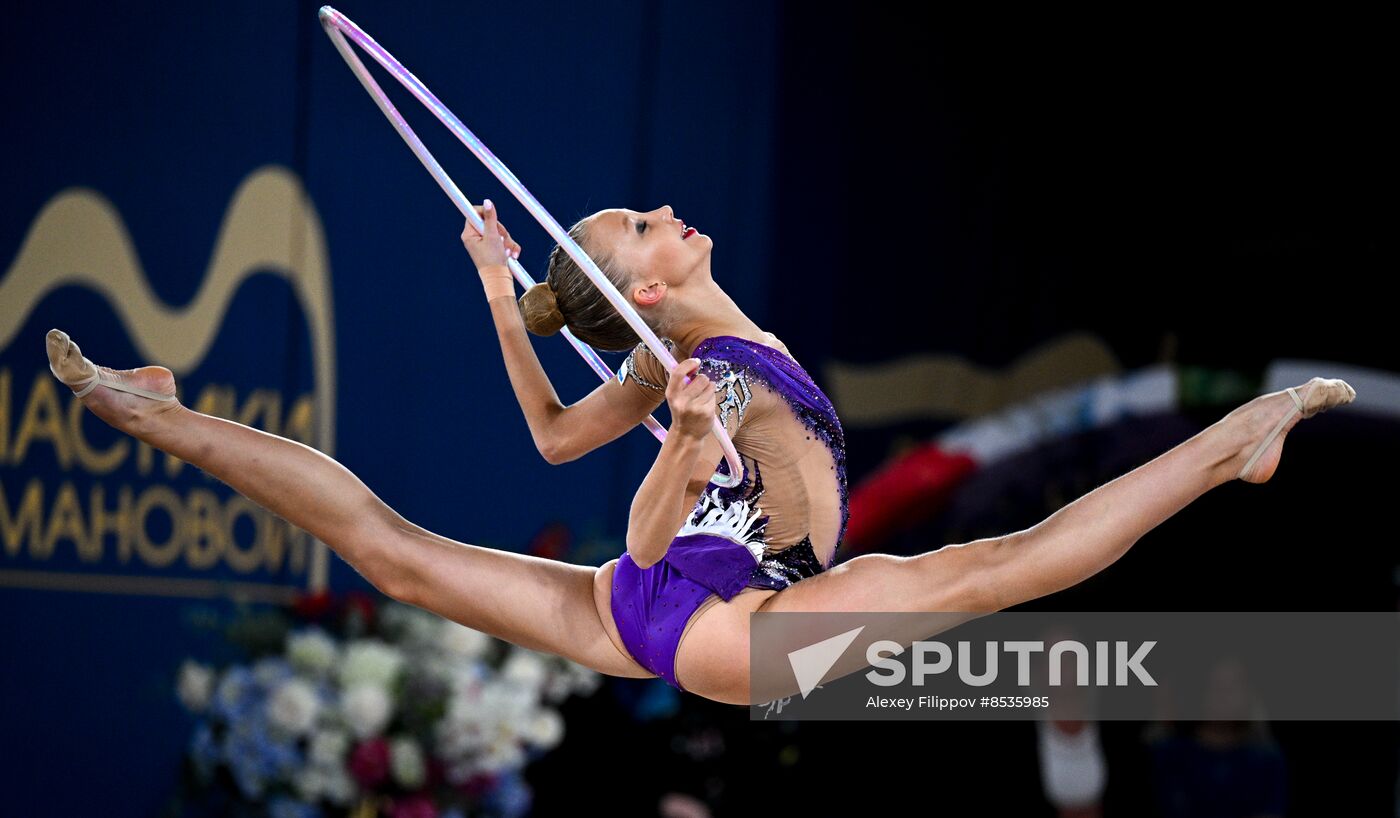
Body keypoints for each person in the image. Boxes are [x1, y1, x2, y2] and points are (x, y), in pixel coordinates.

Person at [44, 200, 1356, 706]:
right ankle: (1229, 440)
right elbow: (663, 525)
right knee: (988, 569)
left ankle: (159, 412)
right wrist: (685, 442)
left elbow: (552, 437)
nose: (670, 214)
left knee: (393, 552)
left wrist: (512, 304)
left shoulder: (668, 361)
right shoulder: (706, 373)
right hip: (716, 608)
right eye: (646, 227)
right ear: (657, 290)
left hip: (655, 607)